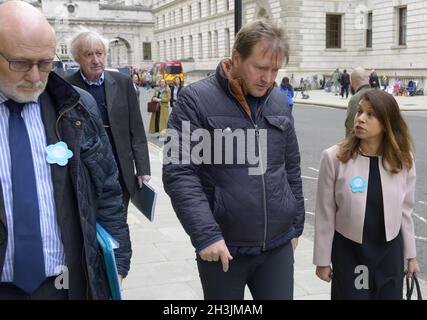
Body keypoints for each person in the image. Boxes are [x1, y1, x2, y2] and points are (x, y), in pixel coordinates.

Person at [163, 19, 305, 300]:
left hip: (277, 245)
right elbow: (178, 171)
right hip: (223, 247)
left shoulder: (277, 100)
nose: (268, 78)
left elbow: (290, 167)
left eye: (275, 69)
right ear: (236, 57)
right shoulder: (194, 99)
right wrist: (206, 235)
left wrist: (296, 226)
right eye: (261, 67)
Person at [0, 1, 131, 299]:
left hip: (67, 285)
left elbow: (107, 189)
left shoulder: (76, 107)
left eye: (45, 63)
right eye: (20, 63)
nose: (35, 77)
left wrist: (117, 266)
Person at [313, 89, 420, 300]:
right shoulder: (334, 158)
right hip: (351, 254)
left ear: (387, 122)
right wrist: (322, 260)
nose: (360, 118)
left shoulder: (403, 160)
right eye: (359, 112)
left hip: (389, 254)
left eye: (370, 114)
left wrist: (411, 256)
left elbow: (405, 212)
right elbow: (325, 214)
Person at [66, 31, 151, 214]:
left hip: (120, 170)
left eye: (100, 53)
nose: (96, 60)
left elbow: (136, 129)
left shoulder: (123, 82)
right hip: (84, 171)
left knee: (118, 222)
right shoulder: (66, 86)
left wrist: (143, 168)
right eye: (89, 54)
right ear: (77, 58)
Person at [344, 67, 371, 136]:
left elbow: (350, 129)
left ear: (351, 82)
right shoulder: (381, 94)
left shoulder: (355, 99)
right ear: (368, 79)